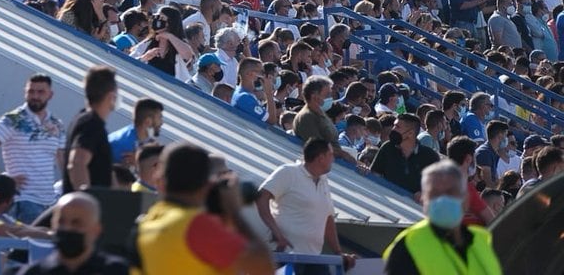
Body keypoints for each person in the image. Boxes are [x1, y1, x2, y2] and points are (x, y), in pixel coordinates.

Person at [135, 142, 274, 275]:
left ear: (159, 180)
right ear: (208, 184)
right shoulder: (195, 225)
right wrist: (233, 212)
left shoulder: (148, 220)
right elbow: (263, 268)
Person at [383, 160, 502, 274]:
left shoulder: (483, 241)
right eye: (435, 193)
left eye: (450, 192)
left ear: (466, 200)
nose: (442, 200)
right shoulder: (408, 244)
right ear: (424, 200)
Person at [255, 139, 356, 274]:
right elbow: (261, 197)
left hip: (313, 257)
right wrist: (277, 233)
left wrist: (338, 252)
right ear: (321, 158)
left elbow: (327, 218)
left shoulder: (323, 181)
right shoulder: (289, 172)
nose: (333, 158)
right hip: (284, 255)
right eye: (331, 154)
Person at [0, 73, 67, 224]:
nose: (35, 96)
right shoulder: (13, 119)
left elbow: (62, 159)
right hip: (22, 198)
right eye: (31, 91)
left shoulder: (57, 124)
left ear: (50, 95)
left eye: (40, 92)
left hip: (49, 200)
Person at [17, 191, 129, 275]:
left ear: (96, 230)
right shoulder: (35, 272)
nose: (67, 228)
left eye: (77, 223)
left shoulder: (116, 270)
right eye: (61, 222)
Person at [64, 66, 118, 193]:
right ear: (111, 96)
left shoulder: (86, 120)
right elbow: (77, 163)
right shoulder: (91, 123)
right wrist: (87, 203)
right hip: (83, 211)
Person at [370, 114, 440, 196]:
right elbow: (375, 174)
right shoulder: (388, 147)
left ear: (410, 133)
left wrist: (424, 194)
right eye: (394, 126)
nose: (393, 130)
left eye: (397, 127)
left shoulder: (430, 157)